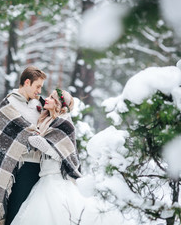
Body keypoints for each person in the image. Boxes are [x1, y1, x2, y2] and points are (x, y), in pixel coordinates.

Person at [11, 89, 128, 225]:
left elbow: (64, 155)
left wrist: (45, 146)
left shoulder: (65, 123)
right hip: (44, 177)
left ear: (59, 104)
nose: (46, 99)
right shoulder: (47, 120)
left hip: (56, 178)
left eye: (52, 97)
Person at [0, 66, 47, 225]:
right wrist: (38, 134)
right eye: (37, 86)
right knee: (14, 211)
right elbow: (18, 129)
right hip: (16, 168)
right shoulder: (9, 103)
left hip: (39, 167)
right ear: (27, 82)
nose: (40, 91)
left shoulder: (41, 104)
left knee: (31, 214)